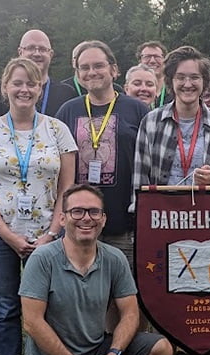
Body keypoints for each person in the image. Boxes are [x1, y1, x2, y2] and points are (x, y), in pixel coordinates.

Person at [16, 184, 173, 355]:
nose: (86, 218)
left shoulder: (113, 258)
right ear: (63, 218)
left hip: (97, 351)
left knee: (161, 350)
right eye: (77, 211)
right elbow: (31, 323)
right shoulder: (42, 260)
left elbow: (130, 313)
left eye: (93, 212)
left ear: (104, 219)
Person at [133, 45, 210, 355]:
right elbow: (141, 179)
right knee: (164, 296)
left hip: (209, 222)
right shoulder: (152, 121)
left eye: (195, 77)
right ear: (170, 80)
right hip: (163, 223)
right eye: (181, 77)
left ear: (204, 81)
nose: (188, 83)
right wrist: (143, 222)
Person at [0, 58, 78, 355]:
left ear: (40, 88)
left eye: (31, 84)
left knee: (49, 307)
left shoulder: (58, 130)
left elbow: (69, 187)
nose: (24, 89)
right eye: (17, 83)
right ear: (5, 88)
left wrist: (52, 233)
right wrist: (8, 235)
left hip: (49, 235)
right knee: (5, 307)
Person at [56, 41, 149, 265]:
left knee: (122, 291)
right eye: (84, 67)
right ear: (77, 74)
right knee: (79, 289)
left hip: (123, 222)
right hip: (78, 222)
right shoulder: (67, 111)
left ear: (114, 70)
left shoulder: (137, 109)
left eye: (98, 65)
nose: (91, 72)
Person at [136, 41, 172, 108]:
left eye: (157, 57)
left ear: (165, 61)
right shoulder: (133, 91)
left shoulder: (174, 89)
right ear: (140, 61)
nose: (152, 61)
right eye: (147, 57)